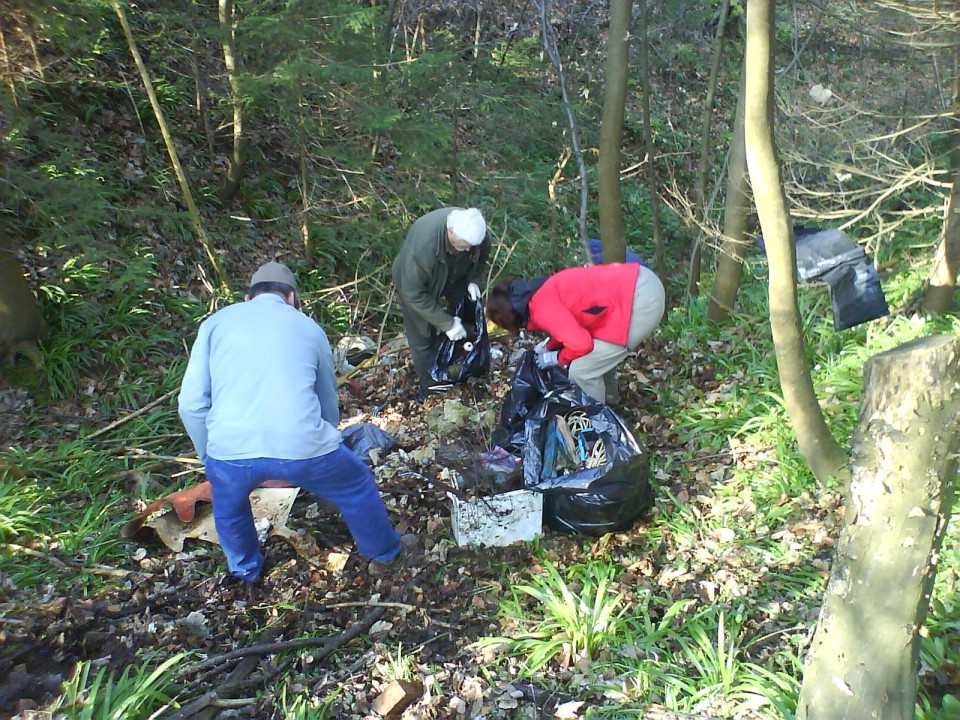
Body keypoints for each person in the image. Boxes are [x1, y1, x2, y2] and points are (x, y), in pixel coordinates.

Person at [178, 261, 411, 583]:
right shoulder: (308, 327)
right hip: (303, 446)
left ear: (248, 299)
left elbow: (190, 405)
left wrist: (211, 458)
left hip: (230, 448)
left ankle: (245, 571)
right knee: (356, 485)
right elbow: (327, 402)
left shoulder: (215, 324)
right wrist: (325, 443)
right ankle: (383, 555)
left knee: (229, 507)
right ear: (291, 297)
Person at [485, 262, 665, 405]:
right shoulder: (542, 292)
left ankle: (598, 429)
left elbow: (582, 344)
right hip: (640, 280)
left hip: (640, 301)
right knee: (599, 355)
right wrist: (549, 346)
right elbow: (568, 324)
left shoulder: (541, 308)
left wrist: (557, 358)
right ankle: (610, 401)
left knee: (582, 371)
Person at [392, 207, 489, 396]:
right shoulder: (423, 247)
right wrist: (447, 324)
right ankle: (430, 383)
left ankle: (461, 364)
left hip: (456, 273)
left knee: (466, 314)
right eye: (465, 244)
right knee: (422, 332)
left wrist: (474, 282)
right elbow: (413, 294)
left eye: (472, 245)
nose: (469, 248)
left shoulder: (477, 234)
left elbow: (481, 259)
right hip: (418, 283)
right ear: (450, 231)